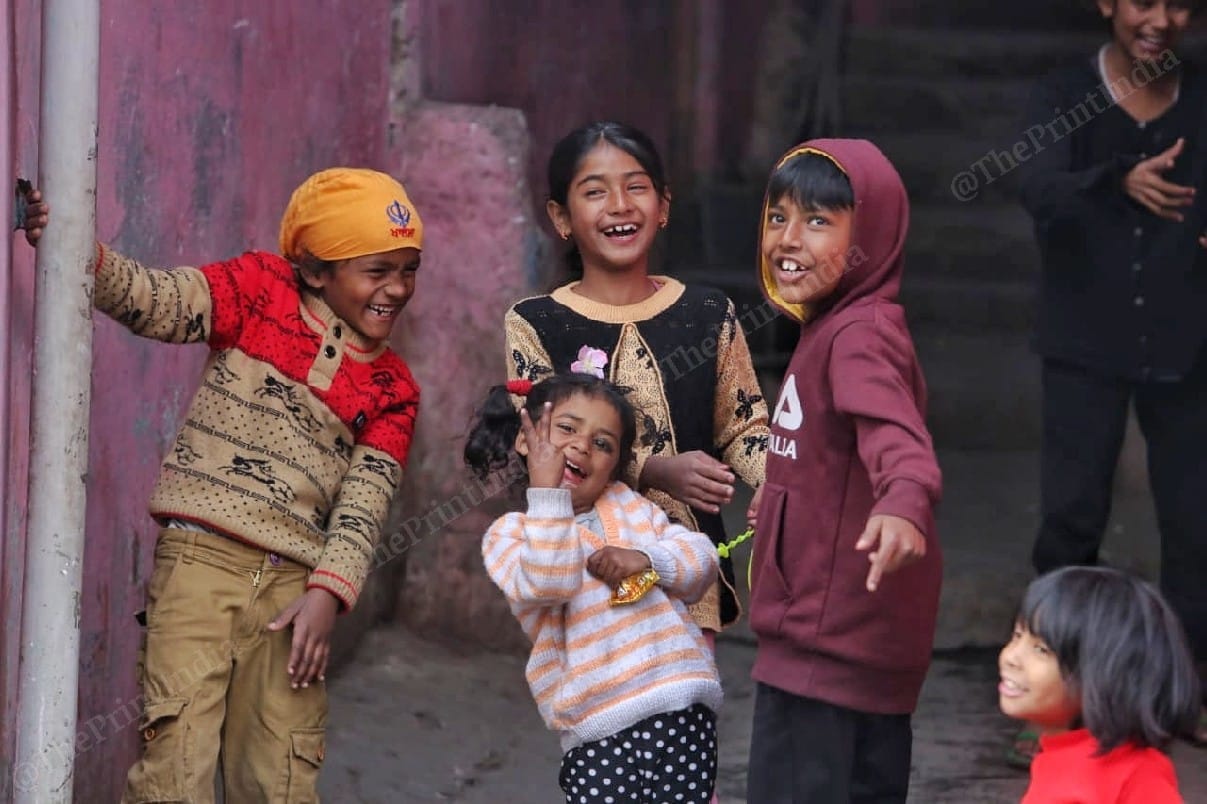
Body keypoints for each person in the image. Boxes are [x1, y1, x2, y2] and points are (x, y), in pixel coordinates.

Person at [20, 168, 423, 801]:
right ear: (316, 270)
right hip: (197, 570)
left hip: (295, 595)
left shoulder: (394, 392)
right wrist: (72, 245)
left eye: (409, 270)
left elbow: (363, 508)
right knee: (174, 769)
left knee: (279, 777)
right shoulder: (259, 289)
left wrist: (328, 592)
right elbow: (156, 300)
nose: (396, 289)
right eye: (378, 270)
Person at [1017, 0, 1207, 753]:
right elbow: (1034, 187)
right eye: (1141, 2)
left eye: (1179, 5)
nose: (1158, 19)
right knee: (1070, 517)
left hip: (1185, 343)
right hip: (1082, 341)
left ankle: (1183, 696)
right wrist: (1113, 180)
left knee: (1193, 525)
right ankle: (1052, 691)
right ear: (1106, 4)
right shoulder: (1063, 98)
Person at [504, 120, 769, 639]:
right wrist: (653, 470)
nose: (620, 204)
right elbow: (543, 444)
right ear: (561, 217)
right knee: (603, 712)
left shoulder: (708, 313)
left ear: (664, 206)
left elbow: (744, 424)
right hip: (587, 571)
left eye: (637, 186)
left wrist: (780, 483)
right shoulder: (535, 323)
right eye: (595, 191)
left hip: (686, 573)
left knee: (686, 710)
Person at [745, 139, 943, 803]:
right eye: (777, 217)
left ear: (875, 234)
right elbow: (831, 461)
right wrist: (781, 509)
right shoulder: (835, 325)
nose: (787, 239)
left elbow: (896, 436)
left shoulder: (855, 335)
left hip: (820, 660)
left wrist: (903, 500)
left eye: (819, 221)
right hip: (853, 653)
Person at [466, 372, 723, 803]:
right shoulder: (510, 535)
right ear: (526, 441)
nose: (583, 446)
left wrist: (648, 558)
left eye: (603, 443)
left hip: (682, 706)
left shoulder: (633, 507)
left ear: (615, 465)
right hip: (600, 729)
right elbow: (551, 582)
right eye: (566, 429)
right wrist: (548, 496)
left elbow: (701, 562)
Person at [999, 566, 1201, 802]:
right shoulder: (1057, 753)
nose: (1011, 657)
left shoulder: (1138, 774)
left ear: (1103, 675)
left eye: (1041, 650)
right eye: (1017, 636)